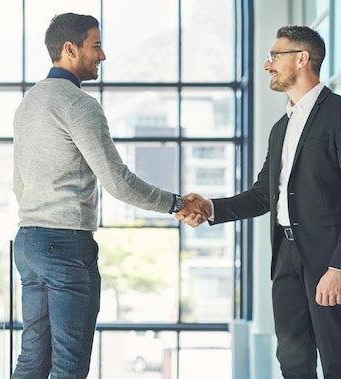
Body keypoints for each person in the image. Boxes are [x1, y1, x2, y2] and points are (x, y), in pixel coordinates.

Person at [177, 25, 341, 378]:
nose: (267, 65)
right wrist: (210, 208)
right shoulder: (280, 128)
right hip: (286, 258)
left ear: (301, 59)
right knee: (292, 362)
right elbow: (262, 195)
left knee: (339, 361)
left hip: (330, 259)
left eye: (274, 56)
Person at [12, 13, 200, 379]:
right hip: (65, 245)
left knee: (33, 358)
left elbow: (19, 182)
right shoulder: (78, 106)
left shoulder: (29, 103)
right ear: (70, 49)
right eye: (95, 45)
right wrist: (177, 204)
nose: (103, 55)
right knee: (69, 365)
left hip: (28, 243)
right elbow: (118, 181)